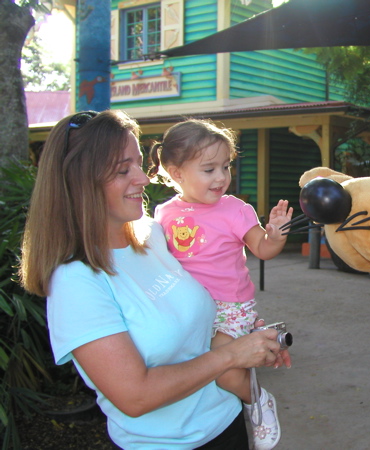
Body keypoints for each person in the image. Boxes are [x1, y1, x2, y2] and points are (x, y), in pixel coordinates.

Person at [19, 109, 290, 449]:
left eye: (137, 163)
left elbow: (197, 317)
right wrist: (234, 355)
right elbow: (136, 397)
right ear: (81, 183)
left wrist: (246, 338)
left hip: (226, 422)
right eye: (123, 170)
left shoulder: (155, 234)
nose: (144, 179)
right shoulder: (77, 282)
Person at [147, 119, 293, 450]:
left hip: (230, 306)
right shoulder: (164, 213)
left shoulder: (235, 209)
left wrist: (276, 234)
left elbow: (263, 249)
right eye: (209, 169)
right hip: (187, 307)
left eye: (225, 167)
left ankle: (258, 400)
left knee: (222, 370)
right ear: (176, 172)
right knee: (189, 365)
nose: (221, 177)